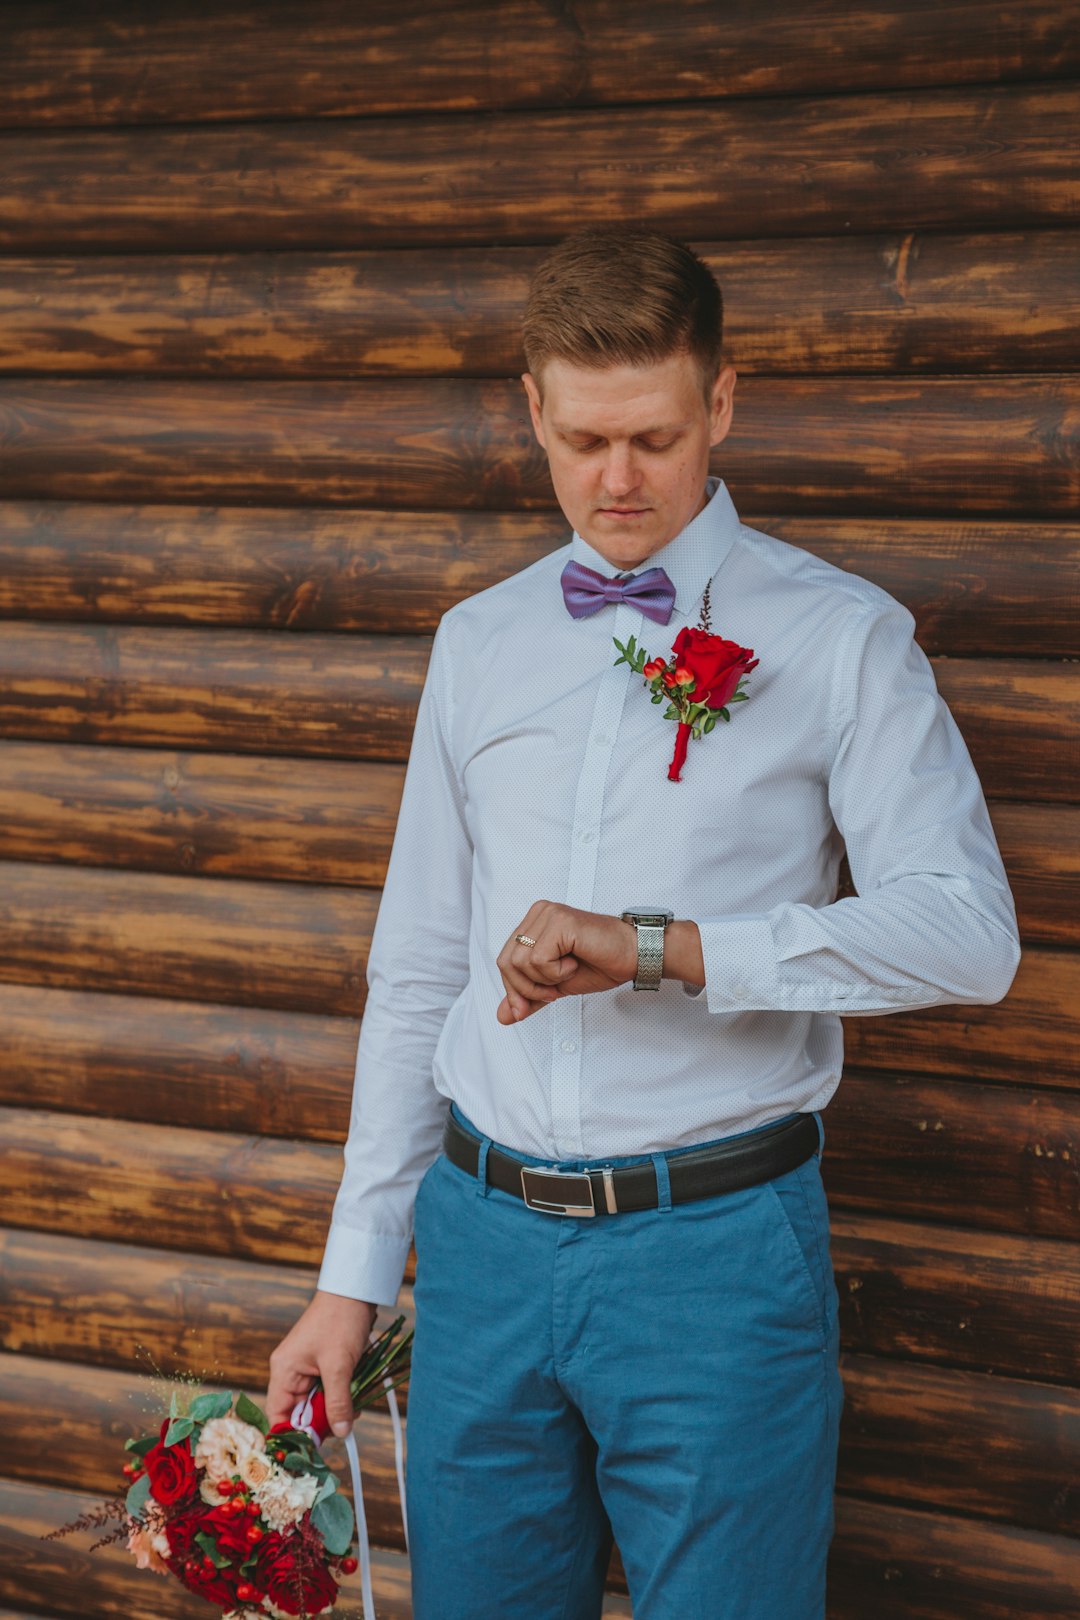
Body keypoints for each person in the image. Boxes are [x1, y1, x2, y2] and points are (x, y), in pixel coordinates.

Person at [267, 228, 1021, 1618]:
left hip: (714, 1257)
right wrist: (352, 1277)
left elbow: (970, 933)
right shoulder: (479, 642)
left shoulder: (844, 639)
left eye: (659, 439)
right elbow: (419, 963)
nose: (619, 481)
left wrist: (672, 947)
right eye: (588, 439)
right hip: (481, 1249)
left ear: (723, 404)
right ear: (532, 409)